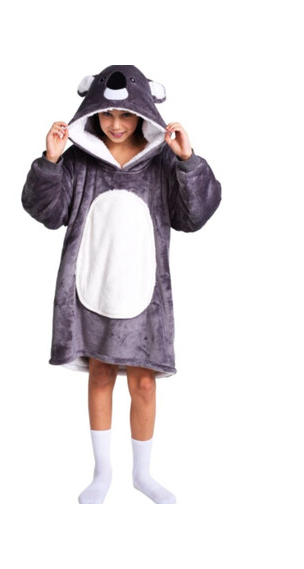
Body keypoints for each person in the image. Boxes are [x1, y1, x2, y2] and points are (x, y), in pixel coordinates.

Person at [22, 65, 221, 504]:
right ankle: (102, 472)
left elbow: (193, 216)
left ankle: (143, 474)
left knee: (144, 383)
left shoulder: (161, 162)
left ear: (143, 113)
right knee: (100, 374)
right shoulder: (80, 161)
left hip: (146, 292)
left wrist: (188, 162)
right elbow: (48, 212)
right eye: (108, 114)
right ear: (93, 112)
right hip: (92, 285)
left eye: (126, 115)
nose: (116, 124)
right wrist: (50, 162)